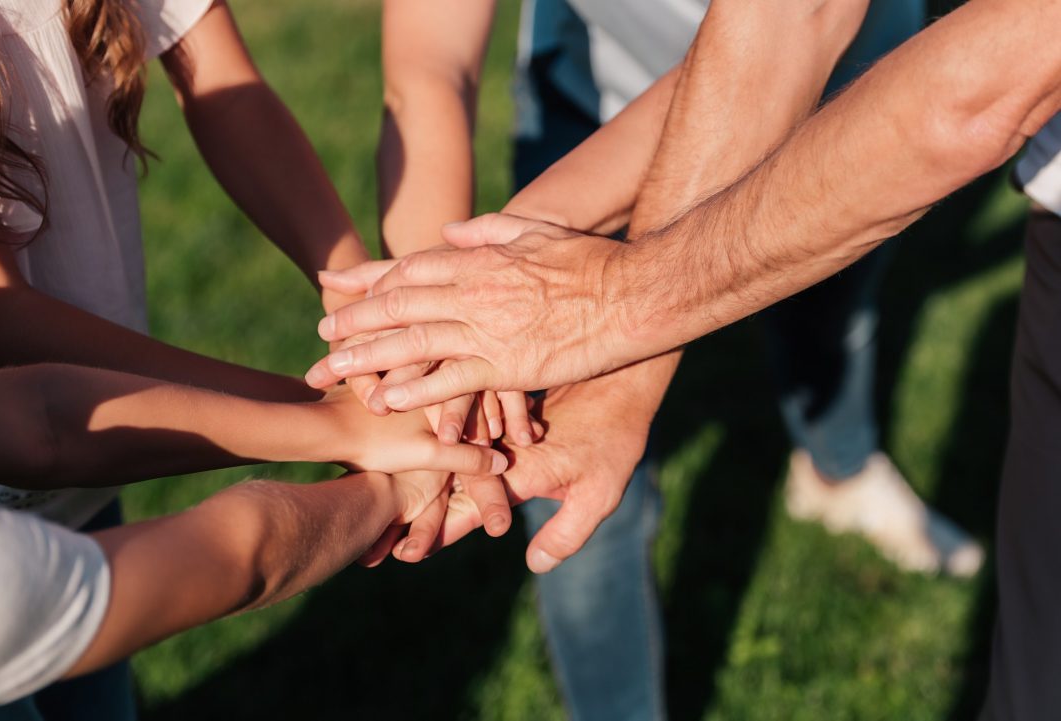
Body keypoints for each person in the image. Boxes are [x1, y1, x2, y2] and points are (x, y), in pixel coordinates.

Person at [309, 0, 1061, 717]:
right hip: (632, 87)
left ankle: (839, 467)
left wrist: (604, 303)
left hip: (856, 86)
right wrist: (454, 316)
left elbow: (970, 86)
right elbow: (431, 68)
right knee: (566, 459)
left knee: (829, 303)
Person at [0, 0, 507, 717]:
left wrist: (371, 316)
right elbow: (7, 335)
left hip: (90, 468)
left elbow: (225, 88)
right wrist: (335, 416)